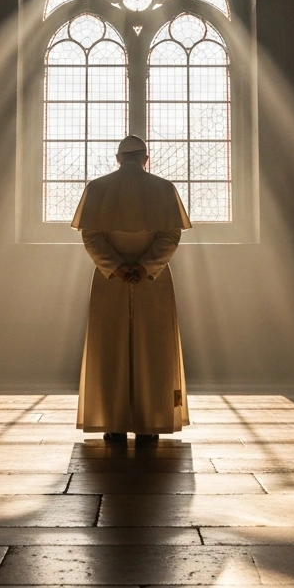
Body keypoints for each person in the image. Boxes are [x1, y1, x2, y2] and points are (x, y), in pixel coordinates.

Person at [72, 135, 192, 443]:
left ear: (117, 158)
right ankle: (151, 421)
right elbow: (170, 236)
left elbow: (91, 236)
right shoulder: (164, 189)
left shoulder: (97, 188)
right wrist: (145, 267)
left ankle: (111, 421)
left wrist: (116, 266)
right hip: (153, 278)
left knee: (108, 346)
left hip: (109, 278)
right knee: (154, 347)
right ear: (145, 159)